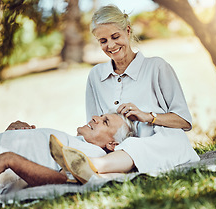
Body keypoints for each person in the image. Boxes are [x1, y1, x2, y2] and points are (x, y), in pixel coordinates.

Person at [0, 77, 135, 202]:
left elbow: (61, 181)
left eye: (105, 122)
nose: (95, 117)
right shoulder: (74, 142)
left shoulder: (92, 154)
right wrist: (13, 134)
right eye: (101, 115)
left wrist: (10, 158)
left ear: (112, 144)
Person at [82, 5, 200, 175]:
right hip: (112, 151)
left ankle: (95, 166)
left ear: (128, 31)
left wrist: (148, 116)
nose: (111, 45)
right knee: (77, 146)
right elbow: (92, 126)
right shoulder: (95, 76)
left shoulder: (157, 67)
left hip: (159, 145)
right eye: (103, 41)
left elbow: (184, 121)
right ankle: (91, 164)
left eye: (115, 37)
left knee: (175, 142)